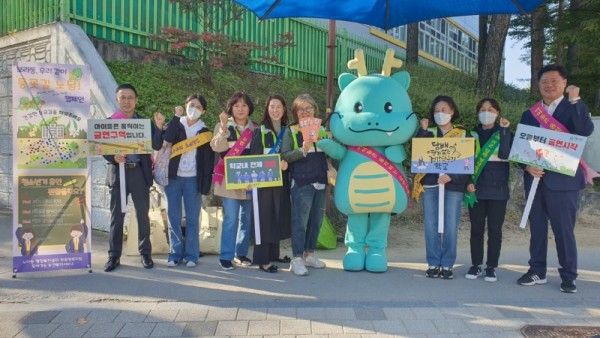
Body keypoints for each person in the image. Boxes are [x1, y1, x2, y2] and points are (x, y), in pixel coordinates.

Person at [516, 64, 595, 293]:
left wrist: (576, 100)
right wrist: (526, 166)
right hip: (536, 179)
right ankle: (537, 270)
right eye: (544, 82)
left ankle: (569, 275)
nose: (549, 86)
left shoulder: (574, 108)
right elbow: (521, 147)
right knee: (537, 228)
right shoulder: (529, 114)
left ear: (564, 83)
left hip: (564, 181)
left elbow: (584, 131)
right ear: (538, 86)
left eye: (554, 81)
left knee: (563, 230)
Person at [153, 94, 215, 268]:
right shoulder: (176, 124)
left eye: (197, 107)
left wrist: (206, 182)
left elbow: (208, 161)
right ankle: (175, 253)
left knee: (193, 218)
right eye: (190, 105)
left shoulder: (205, 133)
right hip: (173, 177)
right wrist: (175, 117)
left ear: (203, 111)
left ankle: (192, 255)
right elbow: (167, 139)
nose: (193, 109)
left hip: (193, 178)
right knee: (173, 216)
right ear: (185, 105)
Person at [413, 95, 471, 280]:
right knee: (430, 224)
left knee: (450, 225)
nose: (440, 114)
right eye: (437, 111)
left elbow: (468, 162)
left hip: (453, 186)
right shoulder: (427, 131)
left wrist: (451, 176)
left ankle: (447, 264)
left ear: (452, 111)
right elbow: (418, 157)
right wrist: (422, 131)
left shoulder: (462, 133)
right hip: (430, 184)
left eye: (444, 110)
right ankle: (432, 261)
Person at [103, 83, 155, 272]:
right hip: (119, 174)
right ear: (117, 100)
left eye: (130, 97)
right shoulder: (109, 122)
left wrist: (157, 127)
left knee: (143, 215)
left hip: (139, 173)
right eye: (123, 97)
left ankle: (145, 253)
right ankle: (113, 256)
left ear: (136, 100)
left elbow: (155, 144)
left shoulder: (144, 123)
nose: (127, 101)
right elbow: (102, 148)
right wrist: (113, 157)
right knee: (117, 217)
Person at [463, 98, 513, 282]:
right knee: (476, 229)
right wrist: (467, 181)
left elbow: (505, 154)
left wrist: (505, 130)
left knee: (495, 231)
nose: (486, 112)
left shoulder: (505, 133)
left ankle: (491, 266)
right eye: (482, 109)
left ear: (497, 112)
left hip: (498, 191)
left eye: (490, 109)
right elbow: (464, 161)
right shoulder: (471, 134)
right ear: (478, 113)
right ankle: (475, 265)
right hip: (475, 189)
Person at [280, 94, 328, 276]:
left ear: (315, 109)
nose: (306, 112)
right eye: (301, 109)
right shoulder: (290, 130)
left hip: (320, 179)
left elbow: (327, 153)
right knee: (300, 221)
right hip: (301, 181)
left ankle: (309, 254)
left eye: (309, 108)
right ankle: (297, 258)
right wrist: (303, 149)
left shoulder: (322, 129)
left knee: (316, 220)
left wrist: (330, 167)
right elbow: (284, 155)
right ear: (295, 113)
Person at [210, 92, 257, 270]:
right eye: (236, 105)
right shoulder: (223, 126)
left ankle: (241, 253)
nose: (240, 109)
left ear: (249, 108)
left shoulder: (255, 128)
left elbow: (257, 154)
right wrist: (223, 127)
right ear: (231, 108)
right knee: (231, 218)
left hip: (249, 181)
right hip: (228, 180)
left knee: (246, 218)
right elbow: (217, 147)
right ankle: (226, 256)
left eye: (244, 105)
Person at [249, 95, 292, 273]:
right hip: (263, 182)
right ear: (267, 109)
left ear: (284, 109)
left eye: (278, 107)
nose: (275, 110)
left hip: (281, 181)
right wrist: (276, 165)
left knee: (277, 216)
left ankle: (274, 253)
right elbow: (255, 157)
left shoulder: (287, 130)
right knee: (264, 219)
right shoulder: (260, 131)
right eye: (272, 107)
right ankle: (262, 259)